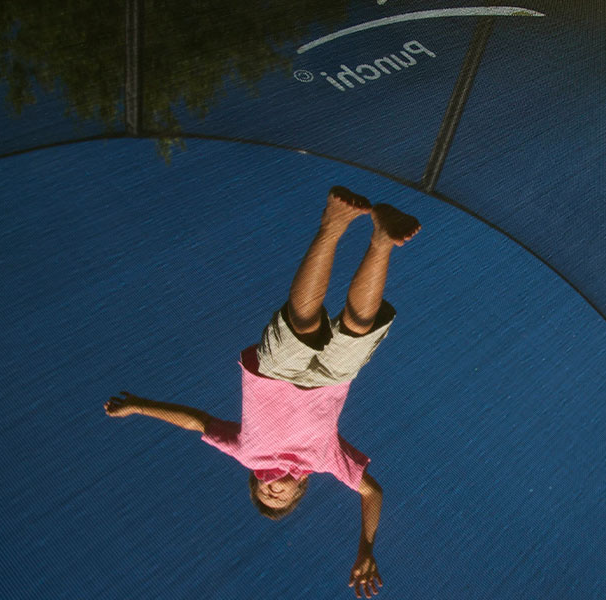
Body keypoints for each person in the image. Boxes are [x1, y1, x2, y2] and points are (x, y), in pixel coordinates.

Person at [104, 185, 420, 598]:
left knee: (302, 324)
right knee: (360, 326)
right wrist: (365, 546)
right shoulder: (324, 462)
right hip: (331, 381)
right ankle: (381, 239)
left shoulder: (246, 453)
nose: (272, 490)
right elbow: (371, 491)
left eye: (263, 493)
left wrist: (140, 407)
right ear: (299, 489)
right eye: (280, 498)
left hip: (272, 375)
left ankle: (333, 225)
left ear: (254, 482)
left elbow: (196, 421)